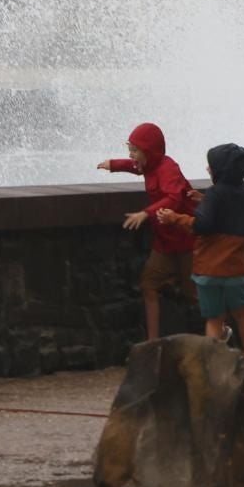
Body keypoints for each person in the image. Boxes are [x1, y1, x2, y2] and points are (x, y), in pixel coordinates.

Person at [157, 143, 244, 373]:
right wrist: (203, 200)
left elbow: (202, 225)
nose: (207, 168)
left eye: (210, 166)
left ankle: (213, 370)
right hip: (236, 271)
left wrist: (174, 217)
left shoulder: (215, 194)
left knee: (214, 320)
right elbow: (227, 210)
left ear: (218, 171)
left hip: (209, 271)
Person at [97, 122, 197, 341]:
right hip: (165, 242)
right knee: (149, 284)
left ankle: (223, 331)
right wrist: (113, 164)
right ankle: (152, 343)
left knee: (194, 293)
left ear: (149, 151)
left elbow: (174, 197)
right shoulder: (148, 164)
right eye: (129, 149)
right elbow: (136, 166)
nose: (131, 155)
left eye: (134, 150)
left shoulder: (168, 168)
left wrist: (145, 213)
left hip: (187, 240)